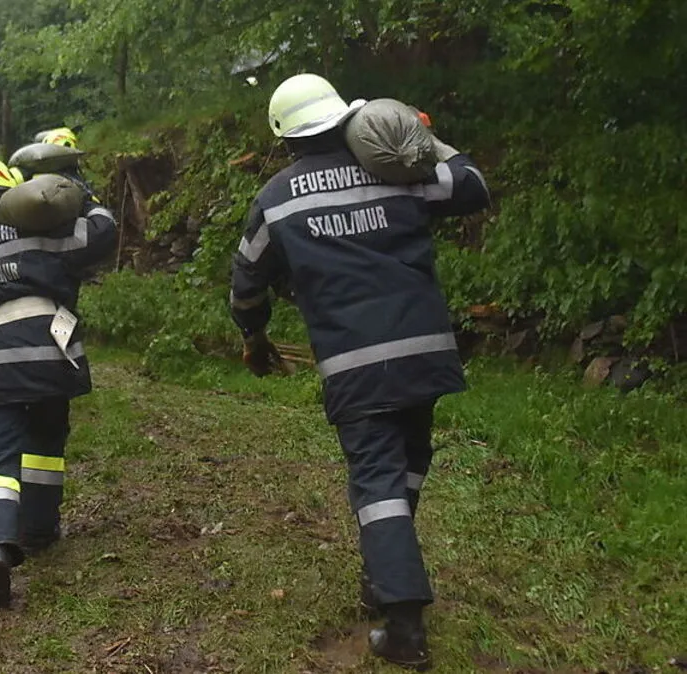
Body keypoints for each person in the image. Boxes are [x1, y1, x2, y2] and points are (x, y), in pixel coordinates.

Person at [229, 73, 490, 670]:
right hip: (425, 350)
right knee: (410, 456)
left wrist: (254, 335)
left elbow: (247, 283)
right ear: (343, 116)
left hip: (354, 363)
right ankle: (386, 564)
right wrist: (419, 134)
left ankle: (402, 621)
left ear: (284, 138)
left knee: (377, 481)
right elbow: (472, 185)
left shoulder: (276, 199)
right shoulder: (398, 171)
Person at [0, 154, 117, 610]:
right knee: (45, 447)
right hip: (48, 356)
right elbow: (100, 237)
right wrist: (86, 196)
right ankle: (38, 531)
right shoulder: (41, 225)